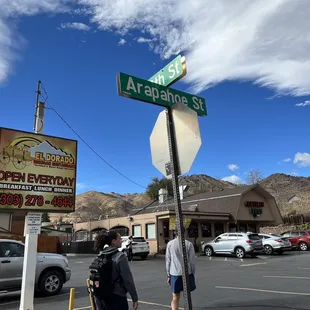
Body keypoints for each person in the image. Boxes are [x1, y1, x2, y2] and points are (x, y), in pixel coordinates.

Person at [92, 230, 139, 310]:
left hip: (101, 297)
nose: (121, 240)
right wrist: (135, 298)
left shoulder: (101, 255)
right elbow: (128, 280)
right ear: (113, 241)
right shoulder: (120, 257)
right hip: (117, 297)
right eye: (119, 239)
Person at [165, 226, 196, 310]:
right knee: (187, 297)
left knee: (175, 297)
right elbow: (192, 261)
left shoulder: (170, 244)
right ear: (184, 232)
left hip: (175, 273)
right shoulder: (188, 244)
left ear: (175, 232)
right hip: (187, 273)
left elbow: (168, 260)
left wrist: (168, 275)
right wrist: (192, 272)